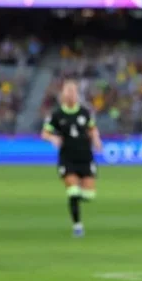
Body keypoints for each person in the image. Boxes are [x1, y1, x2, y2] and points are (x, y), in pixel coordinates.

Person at [41, 79, 102, 237]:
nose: (71, 95)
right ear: (63, 95)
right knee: (73, 191)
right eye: (68, 92)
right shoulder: (57, 114)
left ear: (77, 94)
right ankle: (77, 225)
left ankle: (77, 201)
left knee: (89, 195)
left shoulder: (84, 112)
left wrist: (96, 140)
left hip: (85, 157)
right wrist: (53, 138)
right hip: (67, 158)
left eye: (73, 92)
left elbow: (92, 128)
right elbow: (45, 133)